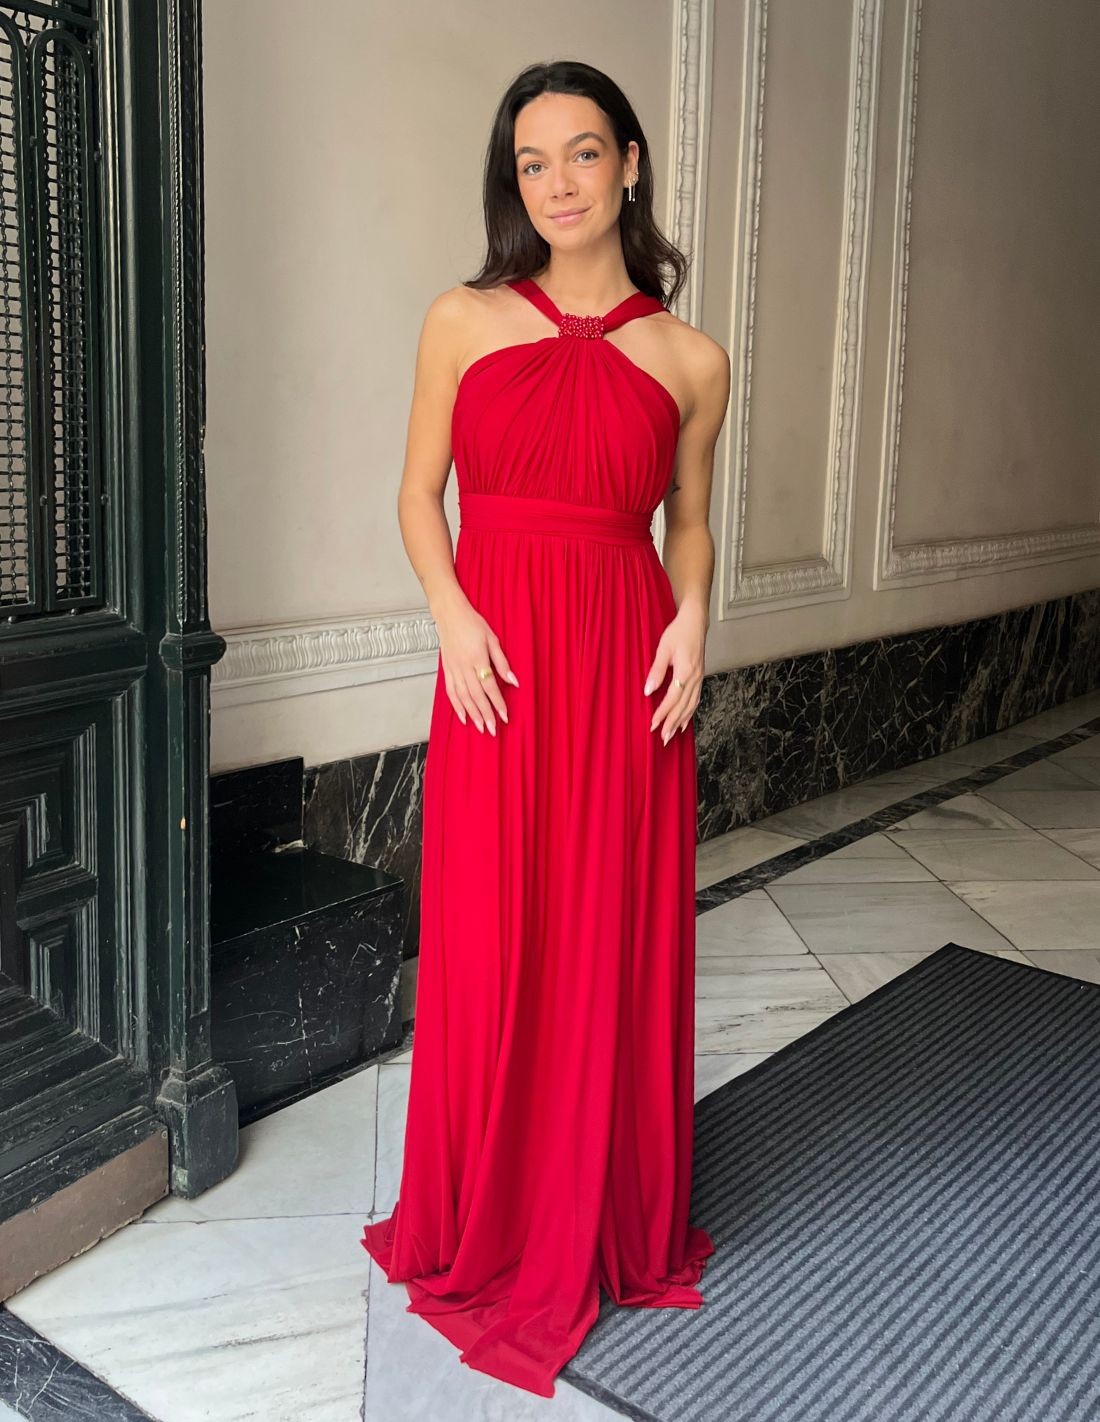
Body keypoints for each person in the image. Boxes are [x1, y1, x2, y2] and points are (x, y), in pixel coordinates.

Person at [360, 58, 731, 1399]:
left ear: (629, 163)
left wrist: (695, 617)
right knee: (492, 931)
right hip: (499, 664)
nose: (558, 183)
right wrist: (453, 617)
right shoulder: (461, 319)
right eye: (532, 162)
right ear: (511, 183)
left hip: (628, 667)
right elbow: (419, 496)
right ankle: (487, 1208)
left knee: (604, 933)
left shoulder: (692, 358)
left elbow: (690, 521)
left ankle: (599, 1203)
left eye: (582, 152)